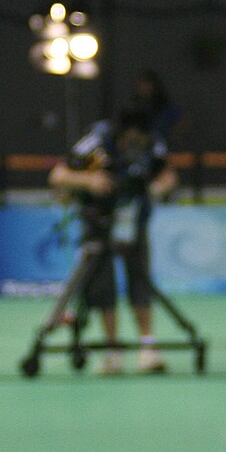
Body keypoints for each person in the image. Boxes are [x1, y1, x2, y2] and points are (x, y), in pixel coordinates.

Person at [49, 102, 179, 373]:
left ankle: (147, 349)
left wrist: (157, 188)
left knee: (140, 284)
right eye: (137, 137)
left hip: (132, 224)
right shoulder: (96, 140)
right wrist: (89, 181)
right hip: (98, 223)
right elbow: (58, 175)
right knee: (103, 288)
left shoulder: (152, 143)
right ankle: (113, 351)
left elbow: (167, 174)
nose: (141, 142)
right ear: (125, 133)